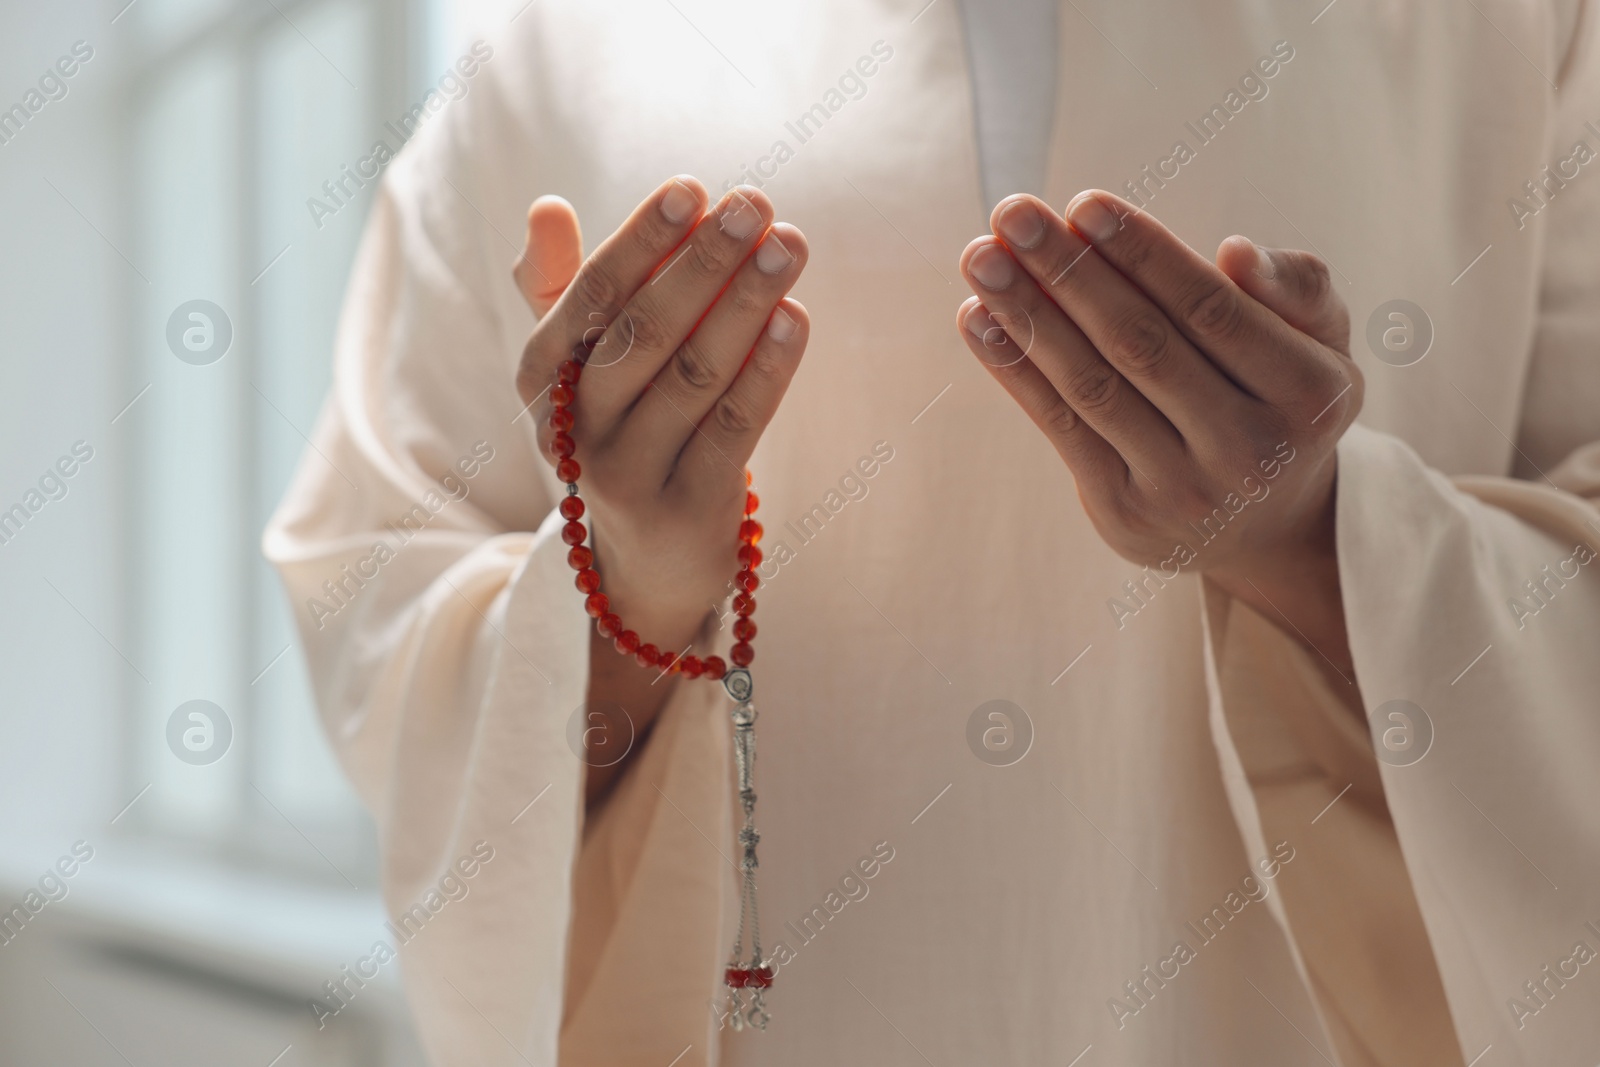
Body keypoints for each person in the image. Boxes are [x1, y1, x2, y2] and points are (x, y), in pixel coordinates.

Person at [264, 0, 1600, 1062]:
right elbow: (379, 620)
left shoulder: (1526, 24)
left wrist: (1322, 542)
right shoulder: (554, 48)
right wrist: (625, 588)